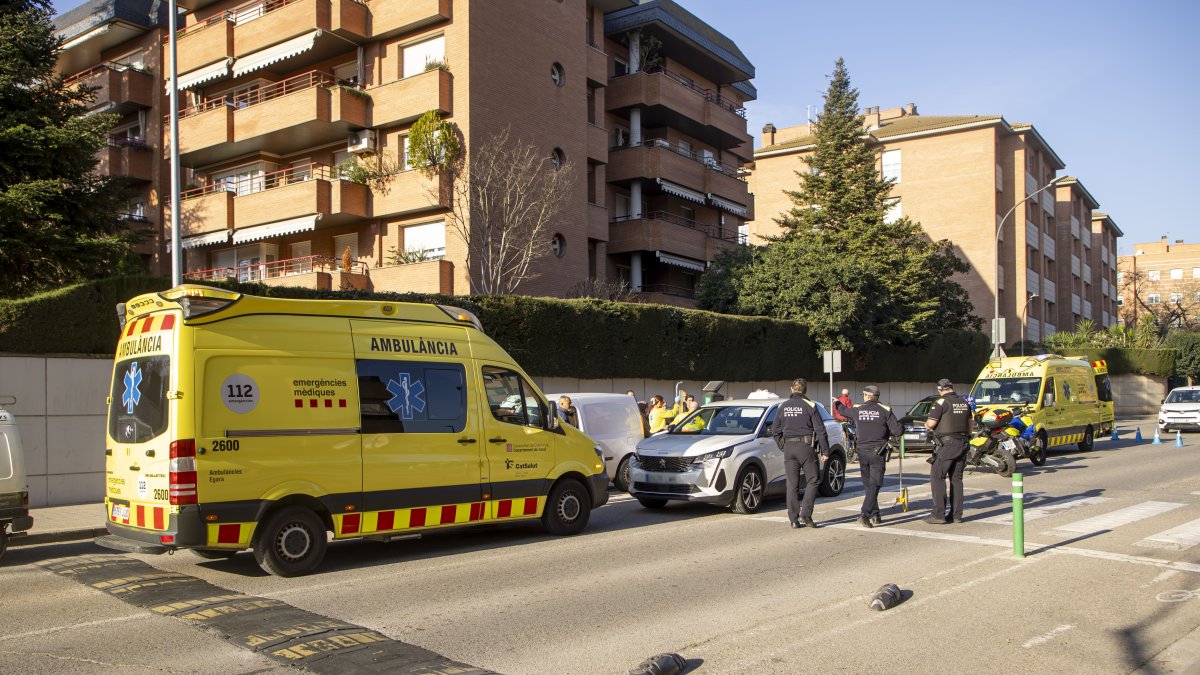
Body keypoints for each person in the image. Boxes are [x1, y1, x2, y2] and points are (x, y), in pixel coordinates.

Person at [837, 385, 901, 528]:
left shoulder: (858, 409)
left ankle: (875, 514)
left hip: (862, 452)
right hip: (877, 453)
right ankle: (865, 514)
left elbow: (842, 411)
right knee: (875, 484)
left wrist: (836, 402)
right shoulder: (885, 410)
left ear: (866, 396)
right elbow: (898, 431)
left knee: (869, 485)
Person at [769, 378, 830, 529]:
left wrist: (782, 445)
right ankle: (806, 515)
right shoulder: (810, 405)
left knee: (792, 484)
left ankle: (793, 519)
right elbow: (820, 430)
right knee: (813, 480)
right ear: (805, 390)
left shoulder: (783, 406)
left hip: (789, 448)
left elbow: (775, 429)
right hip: (806, 447)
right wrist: (825, 450)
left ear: (792, 389)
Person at [924, 378, 973, 524]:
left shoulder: (940, 403)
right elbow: (970, 426)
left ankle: (938, 514)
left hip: (948, 444)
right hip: (963, 443)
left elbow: (931, 423)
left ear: (940, 390)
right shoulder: (964, 403)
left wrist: (927, 425)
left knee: (937, 475)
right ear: (952, 387)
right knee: (956, 479)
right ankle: (956, 515)